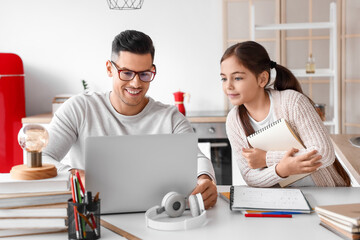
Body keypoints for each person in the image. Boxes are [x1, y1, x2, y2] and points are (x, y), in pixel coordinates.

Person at [42, 30, 217, 209]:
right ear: (110, 69)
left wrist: (205, 179)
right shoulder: (79, 108)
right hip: (94, 218)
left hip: (157, 217)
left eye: (144, 74)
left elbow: (196, 158)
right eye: (126, 73)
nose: (136, 83)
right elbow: (41, 157)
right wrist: (75, 174)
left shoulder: (171, 118)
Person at [220, 41, 350, 187]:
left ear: (262, 79)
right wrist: (281, 170)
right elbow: (250, 177)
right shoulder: (233, 120)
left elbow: (323, 153)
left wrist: (267, 159)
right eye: (224, 78)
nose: (228, 86)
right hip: (284, 201)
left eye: (237, 78)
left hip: (325, 194)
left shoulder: (292, 102)